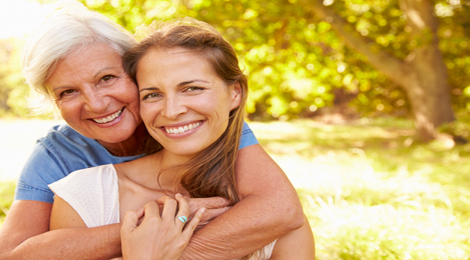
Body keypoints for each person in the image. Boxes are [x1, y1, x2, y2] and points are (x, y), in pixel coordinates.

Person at [0, 1, 305, 259]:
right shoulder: (61, 160)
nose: (95, 103)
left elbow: (280, 209)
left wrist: (170, 246)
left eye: (106, 78)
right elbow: (14, 254)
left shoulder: (204, 124)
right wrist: (147, 229)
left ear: (136, 72)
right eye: (67, 92)